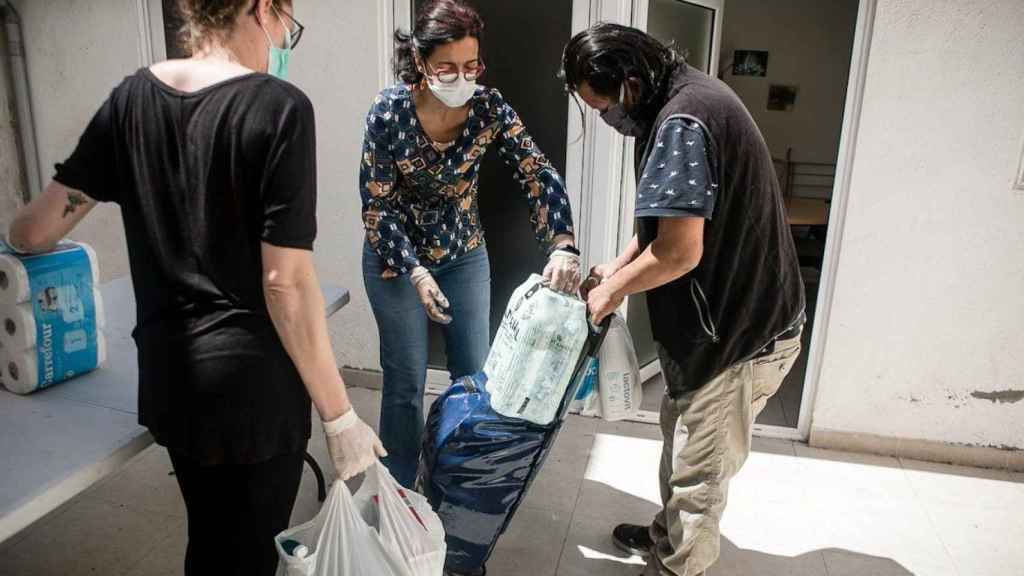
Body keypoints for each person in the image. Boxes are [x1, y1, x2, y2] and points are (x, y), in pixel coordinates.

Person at [7, 1, 383, 574]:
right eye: (287, 21)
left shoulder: (131, 100)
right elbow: (285, 283)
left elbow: (33, 231)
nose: (284, 37)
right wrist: (340, 416)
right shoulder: (279, 108)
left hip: (173, 381)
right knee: (248, 554)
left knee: (211, 543)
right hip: (254, 391)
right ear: (262, 8)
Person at [563, 23, 806, 576]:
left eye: (602, 106)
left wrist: (608, 294)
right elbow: (663, 219)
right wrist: (621, 267)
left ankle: (677, 565)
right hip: (720, 323)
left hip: (737, 334)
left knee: (701, 472)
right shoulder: (682, 95)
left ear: (629, 81)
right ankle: (663, 536)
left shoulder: (682, 123)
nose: (605, 118)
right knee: (682, 445)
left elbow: (678, 253)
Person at [360, 0, 581, 488]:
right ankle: (397, 492)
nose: (462, 77)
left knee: (473, 375)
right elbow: (376, 208)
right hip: (397, 261)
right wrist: (415, 272)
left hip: (463, 255)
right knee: (404, 381)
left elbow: (535, 170)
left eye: (471, 65)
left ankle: (457, 480)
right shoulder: (388, 111)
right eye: (447, 67)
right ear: (420, 62)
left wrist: (562, 242)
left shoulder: (489, 107)